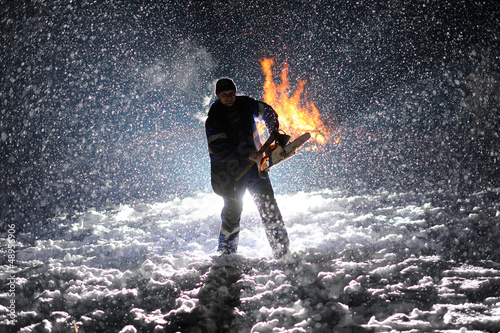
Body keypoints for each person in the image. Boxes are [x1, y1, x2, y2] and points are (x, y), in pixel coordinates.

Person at [205, 78, 290, 259]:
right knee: (232, 215)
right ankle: (227, 255)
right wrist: (246, 155)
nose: (229, 97)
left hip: (256, 170)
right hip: (230, 175)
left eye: (232, 93)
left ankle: (282, 252)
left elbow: (267, 111)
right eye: (224, 95)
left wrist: (273, 128)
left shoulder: (245, 104)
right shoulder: (214, 119)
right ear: (218, 96)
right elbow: (219, 151)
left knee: (270, 209)